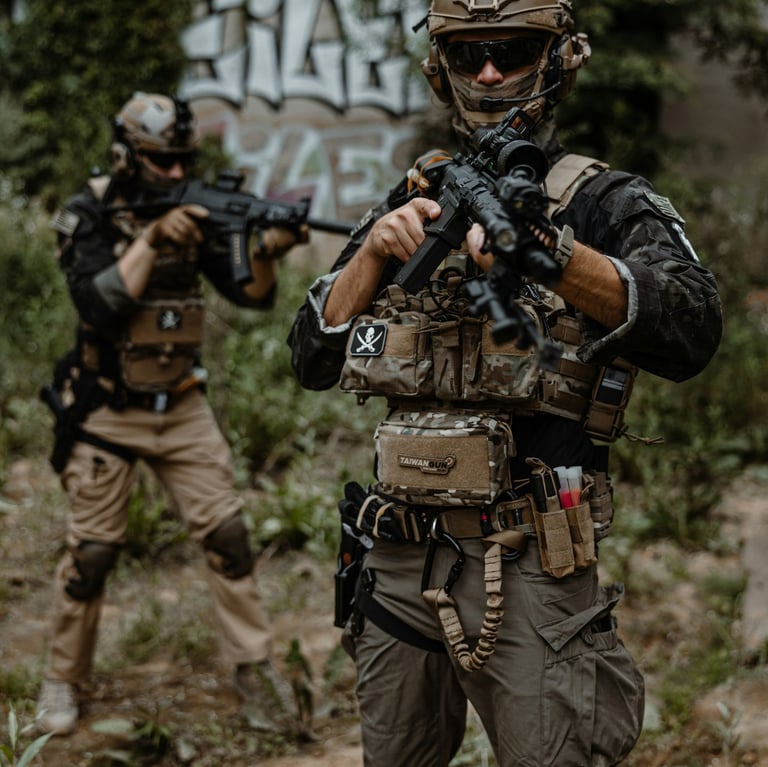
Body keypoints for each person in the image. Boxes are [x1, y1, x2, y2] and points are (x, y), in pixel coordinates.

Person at [287, 1, 723, 765]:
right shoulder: (414, 194)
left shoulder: (605, 201)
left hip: (530, 564)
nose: (489, 73)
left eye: (512, 51)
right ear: (441, 69)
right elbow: (309, 356)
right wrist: (374, 253)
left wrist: (550, 256)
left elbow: (693, 327)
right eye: (468, 54)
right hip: (398, 558)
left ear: (557, 61)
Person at [37, 92, 304, 737]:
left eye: (183, 159)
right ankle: (62, 678)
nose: (176, 172)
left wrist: (264, 249)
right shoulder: (88, 214)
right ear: (127, 156)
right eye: (162, 161)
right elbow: (98, 304)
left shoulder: (195, 207)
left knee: (229, 539)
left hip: (181, 404)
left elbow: (249, 294)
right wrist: (154, 238)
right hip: (105, 407)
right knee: (92, 554)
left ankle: (254, 670)